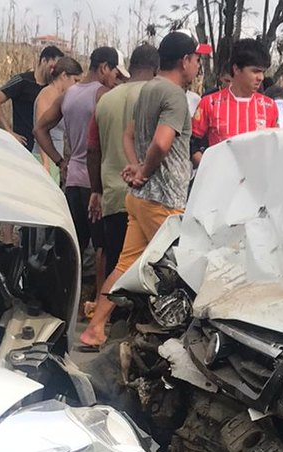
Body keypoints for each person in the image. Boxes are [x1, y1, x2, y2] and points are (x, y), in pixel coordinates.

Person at [77, 31, 205, 350]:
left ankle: (95, 329)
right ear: (184, 61)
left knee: (124, 266)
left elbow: (128, 135)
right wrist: (144, 172)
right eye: (196, 59)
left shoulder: (149, 89)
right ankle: (182, 345)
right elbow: (162, 143)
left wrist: (135, 167)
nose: (198, 65)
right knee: (182, 275)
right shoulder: (175, 96)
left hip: (140, 199)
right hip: (164, 203)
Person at [86, 44, 160, 313]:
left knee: (116, 262)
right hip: (149, 196)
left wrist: (96, 190)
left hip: (113, 194)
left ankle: (110, 320)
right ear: (156, 68)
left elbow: (92, 149)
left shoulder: (106, 100)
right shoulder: (157, 96)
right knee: (146, 269)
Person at [34, 47, 128, 257]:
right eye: (115, 74)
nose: (115, 80)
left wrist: (60, 162)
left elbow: (39, 129)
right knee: (101, 247)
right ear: (104, 67)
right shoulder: (103, 95)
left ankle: (69, 279)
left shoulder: (68, 94)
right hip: (95, 182)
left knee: (75, 245)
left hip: (73, 178)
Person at [191, 37, 277, 161]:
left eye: (263, 72)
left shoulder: (269, 106)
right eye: (255, 71)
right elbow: (193, 144)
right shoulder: (210, 103)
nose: (261, 77)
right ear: (236, 69)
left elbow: (274, 148)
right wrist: (209, 166)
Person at [0, 45, 63, 150]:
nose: (53, 72)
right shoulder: (22, 80)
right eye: (52, 67)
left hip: (42, 146)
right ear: (44, 61)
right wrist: (9, 131)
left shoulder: (52, 88)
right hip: (22, 145)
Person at [33, 56, 81, 184]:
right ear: (64, 76)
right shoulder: (47, 94)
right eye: (75, 80)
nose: (76, 85)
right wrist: (45, 164)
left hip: (55, 159)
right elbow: (40, 130)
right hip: (44, 159)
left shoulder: (60, 97)